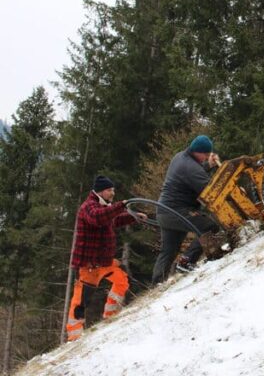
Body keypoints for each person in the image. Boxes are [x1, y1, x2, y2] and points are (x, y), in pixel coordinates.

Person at [67, 175, 145, 342]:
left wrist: (133, 216)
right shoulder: (88, 207)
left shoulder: (105, 207)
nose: (113, 193)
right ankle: (74, 337)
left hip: (104, 261)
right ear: (100, 191)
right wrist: (120, 206)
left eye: (113, 190)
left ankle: (110, 316)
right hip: (89, 265)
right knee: (81, 302)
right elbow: (98, 218)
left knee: (121, 280)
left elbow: (113, 220)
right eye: (110, 190)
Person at [151, 135, 221, 284]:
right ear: (198, 151)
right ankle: (186, 261)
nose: (207, 157)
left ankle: (156, 284)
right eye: (206, 154)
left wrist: (208, 165)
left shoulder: (180, 157)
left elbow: (195, 172)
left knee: (168, 251)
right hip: (177, 211)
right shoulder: (190, 167)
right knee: (209, 227)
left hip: (164, 212)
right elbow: (210, 190)